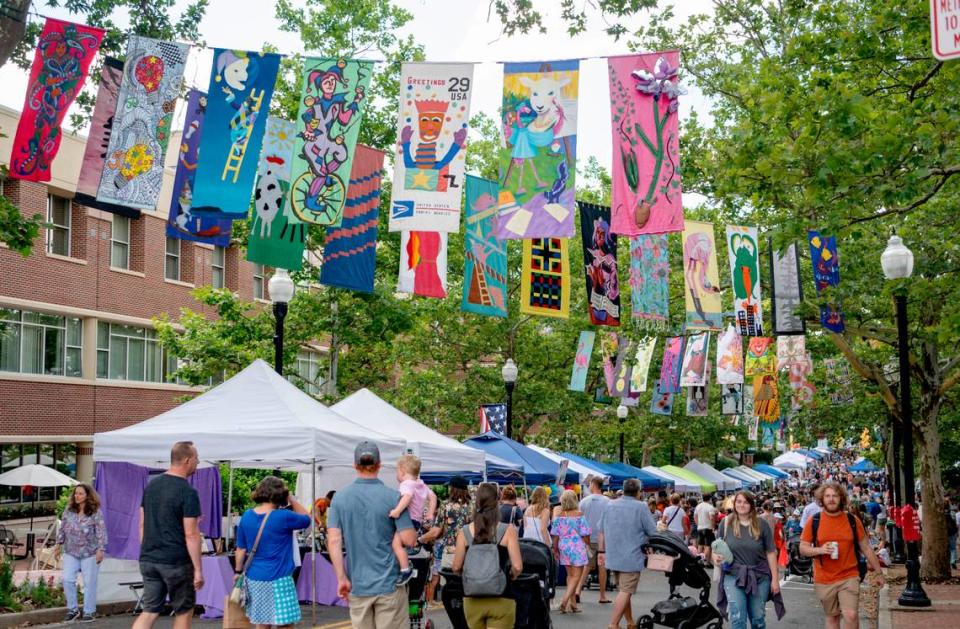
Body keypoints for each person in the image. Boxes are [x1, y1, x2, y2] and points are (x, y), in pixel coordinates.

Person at [328, 442, 416, 629]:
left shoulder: (339, 498)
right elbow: (409, 539)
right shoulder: (394, 497)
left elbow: (334, 540)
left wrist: (341, 578)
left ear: (354, 465)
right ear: (379, 465)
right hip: (390, 584)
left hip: (358, 585)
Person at [133, 441, 203, 629]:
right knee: (183, 611)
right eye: (196, 459)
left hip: (149, 558)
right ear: (187, 460)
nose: (198, 463)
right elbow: (191, 534)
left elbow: (142, 524)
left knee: (149, 611)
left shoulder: (151, 486)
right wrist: (198, 570)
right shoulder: (188, 491)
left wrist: (146, 551)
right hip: (176, 561)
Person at [800, 482, 885, 629]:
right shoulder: (814, 521)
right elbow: (803, 548)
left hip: (849, 575)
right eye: (827, 496)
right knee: (832, 618)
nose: (831, 499)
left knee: (851, 615)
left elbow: (866, 547)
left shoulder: (852, 520)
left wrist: (879, 573)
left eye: (835, 496)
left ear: (841, 498)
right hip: (824, 578)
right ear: (822, 499)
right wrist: (820, 550)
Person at [234, 476, 312, 628]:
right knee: (285, 624)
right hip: (280, 578)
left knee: (262, 623)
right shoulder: (283, 516)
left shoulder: (247, 516)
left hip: (255, 578)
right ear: (280, 494)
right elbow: (307, 519)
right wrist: (291, 498)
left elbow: (241, 548)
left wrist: (237, 571)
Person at [452, 482, 523, 629]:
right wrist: (511, 575)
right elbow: (517, 566)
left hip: (472, 599)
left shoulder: (464, 532)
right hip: (502, 597)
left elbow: (456, 566)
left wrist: (467, 575)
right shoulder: (507, 530)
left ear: (476, 501)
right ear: (498, 501)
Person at [713, 491, 782, 629]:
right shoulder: (725, 523)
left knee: (758, 619)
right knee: (737, 619)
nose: (742, 505)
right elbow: (717, 548)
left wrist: (775, 580)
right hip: (733, 576)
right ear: (734, 504)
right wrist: (716, 558)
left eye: (745, 502)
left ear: (751, 505)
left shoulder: (762, 524)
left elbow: (770, 552)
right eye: (739, 501)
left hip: (760, 577)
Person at [597, 478, 658, 629]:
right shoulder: (641, 507)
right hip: (632, 556)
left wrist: (601, 551)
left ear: (623, 490)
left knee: (624, 591)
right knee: (625, 591)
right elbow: (652, 531)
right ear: (638, 491)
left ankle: (630, 622)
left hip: (614, 554)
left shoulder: (609, 504)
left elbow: (601, 528)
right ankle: (613, 624)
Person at [57, 483, 107, 622]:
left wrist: (101, 549)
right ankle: (73, 609)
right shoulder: (68, 510)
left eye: (80, 494)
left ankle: (89, 611)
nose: (77, 496)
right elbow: (63, 528)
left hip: (90, 552)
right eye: (76, 493)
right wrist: (58, 544)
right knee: (67, 579)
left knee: (90, 582)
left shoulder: (95, 512)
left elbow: (101, 531)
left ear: (87, 496)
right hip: (71, 550)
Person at [423, 476, 472, 603]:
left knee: (451, 590)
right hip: (469, 552)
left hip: (451, 553)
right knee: (467, 589)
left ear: (453, 488)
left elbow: (435, 532)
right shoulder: (472, 507)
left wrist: (420, 539)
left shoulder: (445, 506)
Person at [388, 454, 436, 585]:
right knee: (402, 546)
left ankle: (405, 570)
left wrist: (397, 511)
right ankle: (404, 564)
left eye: (397, 471)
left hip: (406, 521)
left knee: (395, 544)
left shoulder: (406, 484)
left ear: (402, 471)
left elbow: (407, 497)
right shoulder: (421, 484)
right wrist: (430, 513)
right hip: (416, 523)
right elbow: (433, 497)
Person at [551, 489, 591, 614]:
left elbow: (555, 536)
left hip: (564, 546)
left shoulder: (559, 516)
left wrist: (555, 549)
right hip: (577, 547)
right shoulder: (579, 515)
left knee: (570, 576)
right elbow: (585, 534)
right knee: (576, 577)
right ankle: (564, 601)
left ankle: (573, 604)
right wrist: (588, 544)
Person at [576, 476, 612, 604]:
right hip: (603, 539)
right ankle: (602, 596)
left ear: (593, 484)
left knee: (586, 565)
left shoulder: (584, 501)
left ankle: (578, 591)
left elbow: (579, 520)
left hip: (587, 538)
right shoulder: (608, 501)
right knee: (602, 566)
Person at [694, 493, 718, 561]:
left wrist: (698, 524)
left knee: (700, 545)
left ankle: (698, 560)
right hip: (708, 527)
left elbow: (695, 516)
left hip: (700, 527)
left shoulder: (698, 506)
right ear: (710, 499)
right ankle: (706, 561)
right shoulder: (710, 507)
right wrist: (713, 527)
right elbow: (711, 518)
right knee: (708, 546)